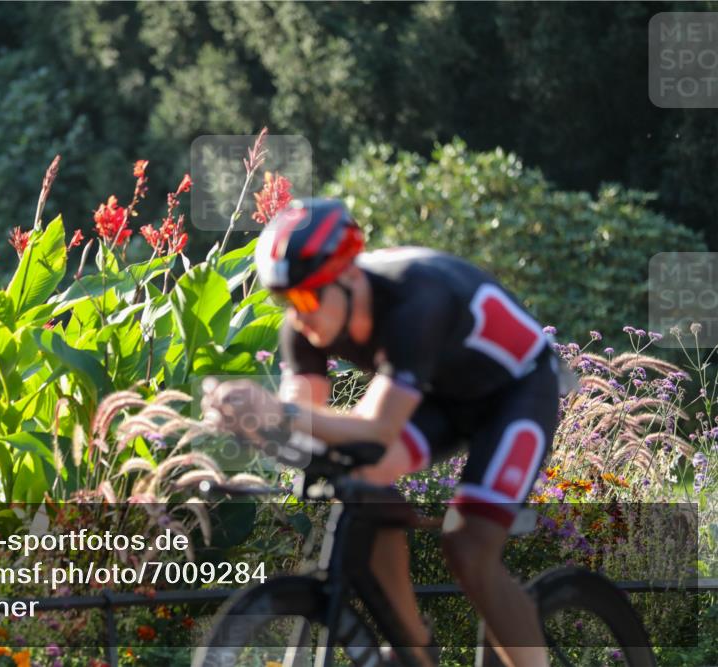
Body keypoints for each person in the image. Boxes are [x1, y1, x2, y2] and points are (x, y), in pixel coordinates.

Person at [202, 198, 562, 667]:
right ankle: (414, 648)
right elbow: (306, 420)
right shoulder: (304, 326)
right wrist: (255, 423)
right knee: (361, 482)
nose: (298, 314)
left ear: (349, 276)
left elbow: (377, 426)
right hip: (437, 397)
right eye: (285, 301)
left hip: (514, 393)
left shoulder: (416, 301)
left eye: (308, 297)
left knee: (468, 544)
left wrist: (280, 413)